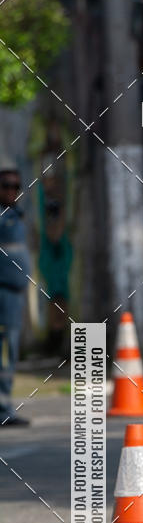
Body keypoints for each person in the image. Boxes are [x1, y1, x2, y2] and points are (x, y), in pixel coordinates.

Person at [0, 156, 31, 427]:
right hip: (2, 295)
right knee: (5, 353)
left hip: (14, 296)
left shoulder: (15, 216)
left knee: (9, 351)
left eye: (16, 186)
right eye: (6, 186)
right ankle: (2, 409)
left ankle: (5, 405)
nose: (12, 191)